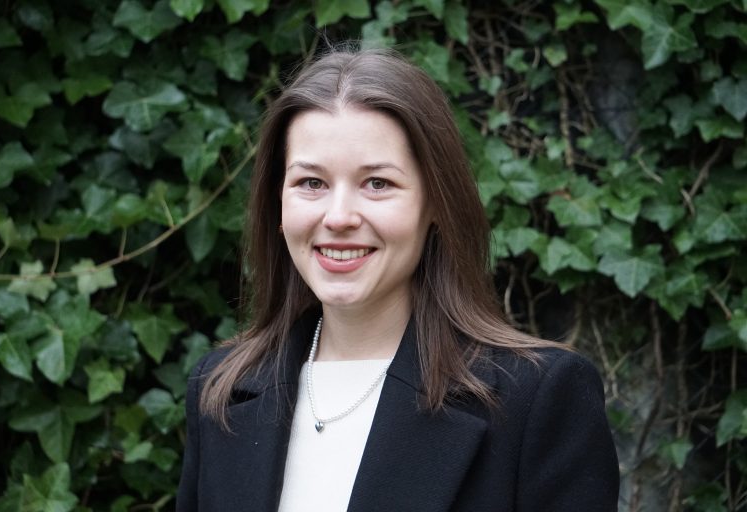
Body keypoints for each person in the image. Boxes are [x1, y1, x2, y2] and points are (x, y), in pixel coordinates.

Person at [176, 48, 619, 512]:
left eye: (377, 184)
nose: (339, 217)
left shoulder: (536, 398)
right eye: (311, 183)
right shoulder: (221, 391)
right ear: (278, 206)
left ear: (435, 204)